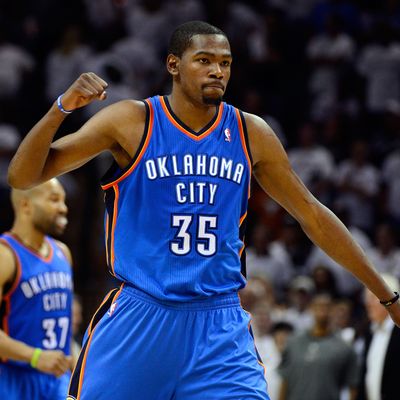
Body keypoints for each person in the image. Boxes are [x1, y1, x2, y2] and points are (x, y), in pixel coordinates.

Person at [7, 20, 400, 400]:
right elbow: (23, 176)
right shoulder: (133, 121)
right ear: (173, 65)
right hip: (143, 312)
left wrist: (387, 296)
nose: (217, 71)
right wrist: (62, 108)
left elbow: (312, 215)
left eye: (225, 63)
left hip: (219, 322)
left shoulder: (251, 133)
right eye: (205, 60)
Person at [0, 178, 73, 399]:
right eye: (54, 199)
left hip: (58, 382)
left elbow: (65, 327)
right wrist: (35, 356)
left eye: (63, 200)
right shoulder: (5, 255)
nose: (63, 208)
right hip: (13, 379)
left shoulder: (63, 253)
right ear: (25, 205)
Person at [278, 293, 359, 400]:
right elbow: (285, 380)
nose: (322, 310)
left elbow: (353, 386)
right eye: (318, 306)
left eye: (327, 306)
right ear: (311, 308)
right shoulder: (293, 343)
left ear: (332, 310)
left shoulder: (344, 348)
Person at [356, 273, 400, 400]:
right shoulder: (369, 332)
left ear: (390, 300)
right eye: (366, 299)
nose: (367, 304)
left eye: (372, 298)